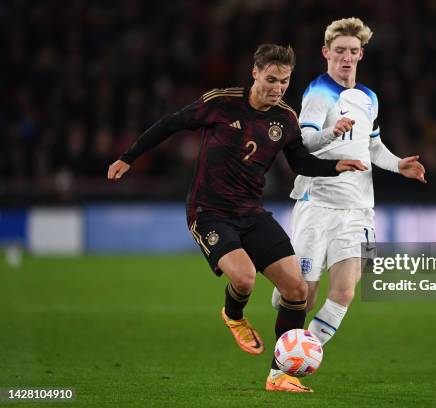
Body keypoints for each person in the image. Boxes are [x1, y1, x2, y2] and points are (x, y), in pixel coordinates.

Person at [108, 44, 367, 393]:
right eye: (271, 80)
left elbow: (301, 164)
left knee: (296, 289)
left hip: (251, 212)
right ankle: (233, 314)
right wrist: (128, 157)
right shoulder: (221, 101)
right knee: (244, 279)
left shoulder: (285, 119)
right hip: (209, 212)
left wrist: (336, 166)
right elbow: (170, 124)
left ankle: (280, 375)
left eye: (284, 82)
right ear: (255, 73)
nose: (277, 88)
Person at [271, 18, 426, 345]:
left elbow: (372, 145)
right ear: (326, 52)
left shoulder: (369, 97)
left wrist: (399, 165)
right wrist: (332, 132)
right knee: (305, 296)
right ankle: (287, 290)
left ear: (361, 55)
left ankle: (302, 354)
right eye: (339, 50)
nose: (346, 57)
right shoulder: (319, 92)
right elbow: (303, 143)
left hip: (358, 208)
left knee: (345, 290)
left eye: (353, 51)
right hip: (319, 204)